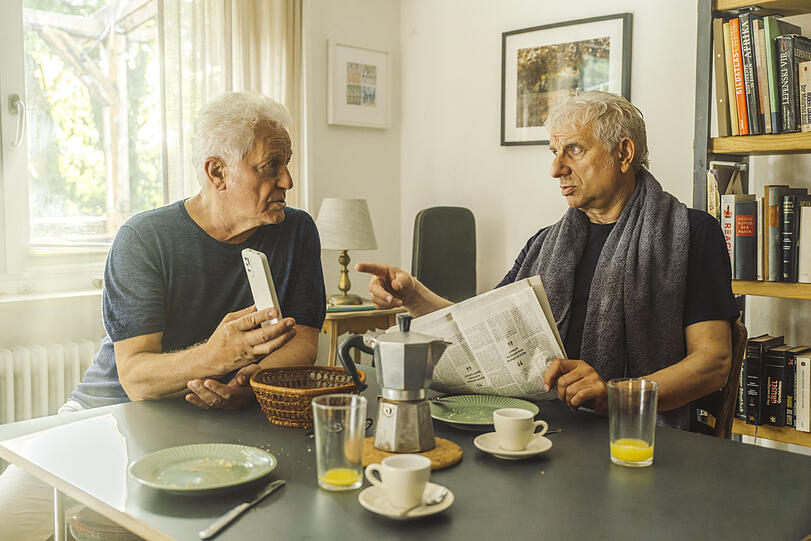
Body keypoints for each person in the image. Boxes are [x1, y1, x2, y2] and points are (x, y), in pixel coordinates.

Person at [0, 91, 326, 540]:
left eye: (287, 162)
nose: (287, 179)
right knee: (8, 523)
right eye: (270, 165)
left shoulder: (298, 232)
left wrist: (244, 385)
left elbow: (304, 341)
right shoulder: (144, 238)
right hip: (106, 416)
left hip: (216, 425)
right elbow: (135, 377)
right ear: (217, 172)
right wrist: (217, 356)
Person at [358, 91, 738, 430]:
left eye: (573, 150)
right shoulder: (545, 244)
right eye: (554, 153)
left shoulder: (691, 233)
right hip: (538, 429)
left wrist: (614, 395)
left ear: (623, 153)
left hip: (637, 438)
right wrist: (413, 295)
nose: (556, 169)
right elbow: (480, 331)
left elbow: (713, 363)